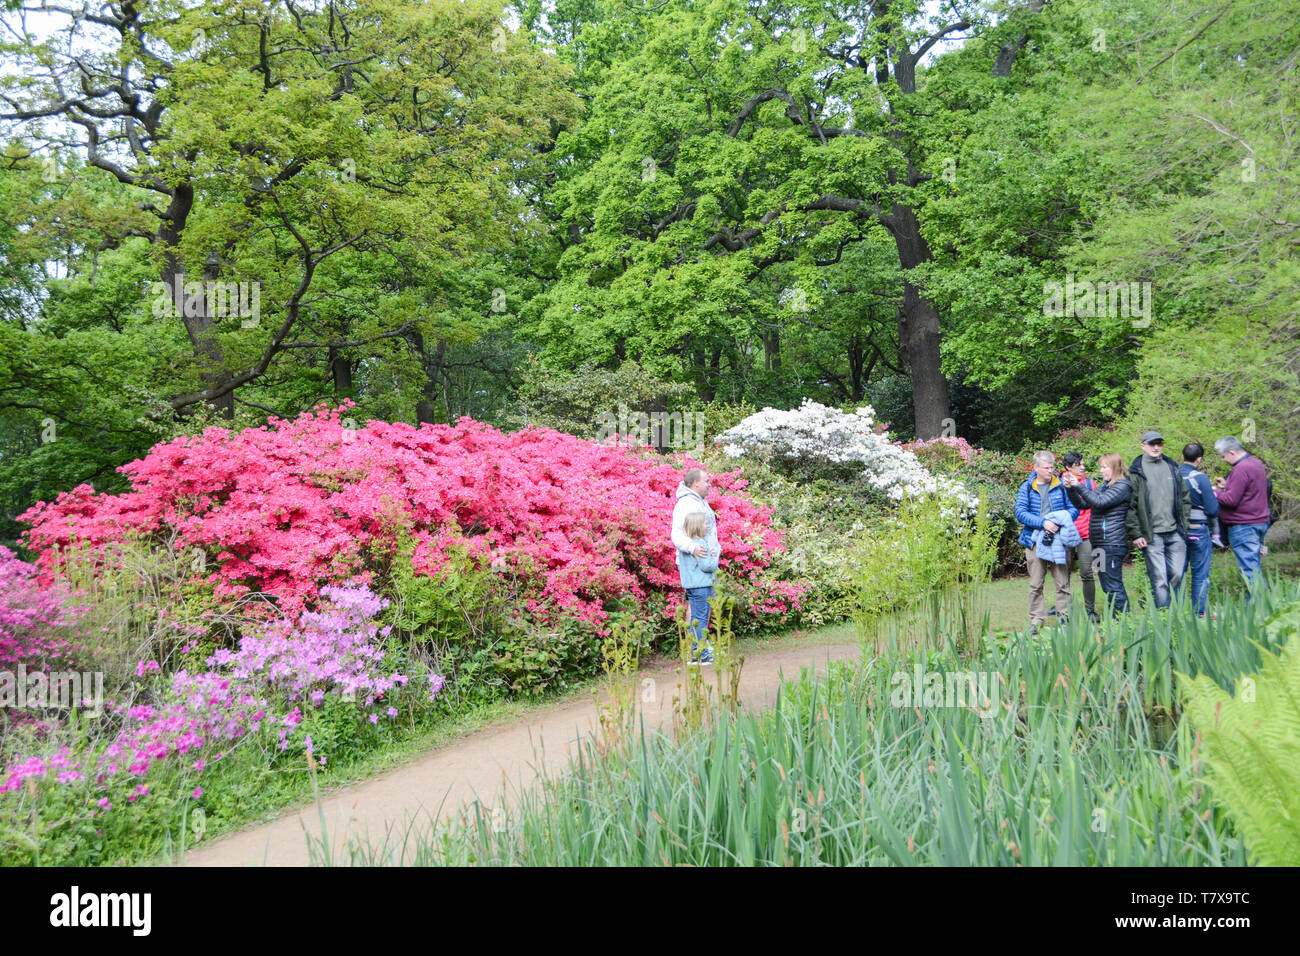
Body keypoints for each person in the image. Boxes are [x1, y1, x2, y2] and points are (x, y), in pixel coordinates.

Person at [1015, 450, 1079, 633]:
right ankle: (1037, 620)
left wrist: (1060, 521)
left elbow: (1074, 508)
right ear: (1036, 468)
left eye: (1052, 467)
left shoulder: (1061, 486)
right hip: (1034, 540)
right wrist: (1043, 522)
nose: (1050, 470)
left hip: (1059, 539)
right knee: (1036, 583)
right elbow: (1020, 513)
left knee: (1062, 581)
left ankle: (1064, 617)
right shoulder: (1026, 487)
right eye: (1046, 468)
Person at [1126, 431, 1191, 609]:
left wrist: (1184, 525)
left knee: (1177, 574)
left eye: (1159, 444)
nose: (1156, 447)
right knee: (1160, 578)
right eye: (1152, 444)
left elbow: (1185, 498)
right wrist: (1136, 533)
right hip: (1151, 534)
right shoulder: (1136, 472)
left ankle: (1166, 609)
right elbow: (1130, 507)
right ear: (1143, 446)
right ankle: (1163, 617)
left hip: (1175, 532)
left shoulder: (1172, 467)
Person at [1064, 453, 1132, 616]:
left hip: (1112, 544)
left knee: (1113, 583)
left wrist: (1079, 486)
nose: (1101, 471)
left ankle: (1123, 619)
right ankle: (1115, 618)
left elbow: (1099, 502)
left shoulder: (1123, 486)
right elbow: (1083, 504)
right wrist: (1071, 489)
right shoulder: (1105, 486)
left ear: (1115, 467)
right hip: (1100, 543)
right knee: (1106, 584)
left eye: (1104, 467)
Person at [671, 468, 721, 663]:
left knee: (701, 608)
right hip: (698, 566)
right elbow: (677, 534)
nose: (710, 484)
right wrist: (693, 548)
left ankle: (699, 647)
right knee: (699, 609)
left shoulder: (700, 502)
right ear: (695, 483)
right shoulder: (685, 504)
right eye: (706, 481)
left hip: (703, 563)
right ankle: (696, 650)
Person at [1212, 436, 1271, 589]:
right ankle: (1255, 608)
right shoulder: (1255, 463)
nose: (1223, 460)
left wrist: (1214, 492)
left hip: (1244, 526)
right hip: (1258, 521)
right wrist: (1226, 486)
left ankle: (1263, 608)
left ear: (1232, 452)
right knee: (1253, 568)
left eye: (1223, 456)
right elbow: (1249, 492)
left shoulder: (1241, 468)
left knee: (1249, 572)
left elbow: (1231, 500)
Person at [1177, 443, 1220, 618]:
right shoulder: (1201, 478)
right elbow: (1212, 510)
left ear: (1182, 457)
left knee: (1177, 574)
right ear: (1199, 459)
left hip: (1177, 532)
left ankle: (1176, 613)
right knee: (1200, 574)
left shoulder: (1172, 477)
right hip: (1198, 531)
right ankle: (1199, 614)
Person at [1060, 452, 1099, 623]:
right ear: (1069, 467)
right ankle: (1064, 609)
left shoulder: (1090, 483)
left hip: (1086, 534)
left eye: (1083, 464)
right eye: (1079, 464)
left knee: (1086, 572)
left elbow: (1098, 504)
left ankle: (1090, 610)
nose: (1083, 467)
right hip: (1066, 534)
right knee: (1063, 574)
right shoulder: (1059, 484)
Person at [676, 512, 719, 664]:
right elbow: (707, 566)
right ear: (698, 526)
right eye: (705, 523)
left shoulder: (686, 546)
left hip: (691, 587)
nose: (708, 526)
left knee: (695, 619)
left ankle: (694, 653)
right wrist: (716, 556)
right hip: (702, 586)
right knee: (701, 619)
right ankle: (701, 653)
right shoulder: (700, 544)